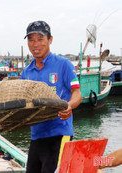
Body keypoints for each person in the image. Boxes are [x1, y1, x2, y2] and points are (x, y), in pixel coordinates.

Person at [20, 20, 82, 173]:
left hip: (59, 133)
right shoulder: (26, 72)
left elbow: (77, 93)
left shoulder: (64, 64)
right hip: (37, 136)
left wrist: (69, 105)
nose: (35, 44)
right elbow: (22, 103)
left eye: (40, 39)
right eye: (31, 39)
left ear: (50, 40)